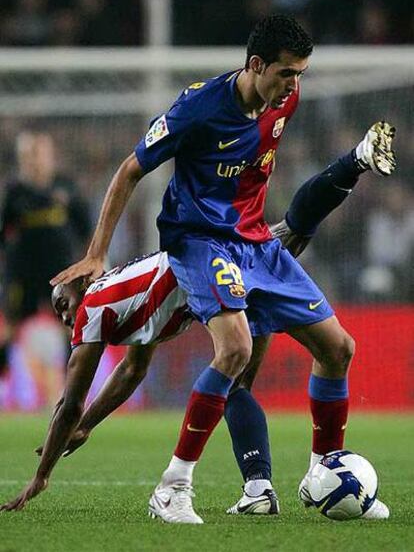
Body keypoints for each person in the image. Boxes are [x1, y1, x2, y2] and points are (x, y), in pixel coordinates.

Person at [50, 14, 396, 524]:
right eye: (286, 74)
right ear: (256, 65)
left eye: (300, 75)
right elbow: (129, 171)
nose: (293, 86)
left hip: (256, 243)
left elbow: (260, 179)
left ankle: (326, 469)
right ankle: (173, 487)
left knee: (339, 347)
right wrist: (97, 253)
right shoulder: (197, 108)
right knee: (234, 351)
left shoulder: (285, 101)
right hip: (199, 242)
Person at [0, 131, 396, 516]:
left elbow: (68, 405)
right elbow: (133, 369)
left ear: (82, 283)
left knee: (288, 240)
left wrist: (42, 475)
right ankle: (261, 487)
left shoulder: (94, 310)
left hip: (209, 256)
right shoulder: (127, 307)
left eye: (63, 302)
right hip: (206, 266)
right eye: (59, 312)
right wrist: (89, 425)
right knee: (241, 369)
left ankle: (354, 160)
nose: (65, 315)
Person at [0, 131, 92, 375]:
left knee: (69, 323)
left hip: (59, 269)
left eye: (37, 154)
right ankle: (5, 383)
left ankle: (71, 382)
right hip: (23, 270)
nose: (33, 160)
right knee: (10, 325)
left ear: (50, 156)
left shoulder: (66, 187)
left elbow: (85, 227)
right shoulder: (14, 191)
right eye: (28, 155)